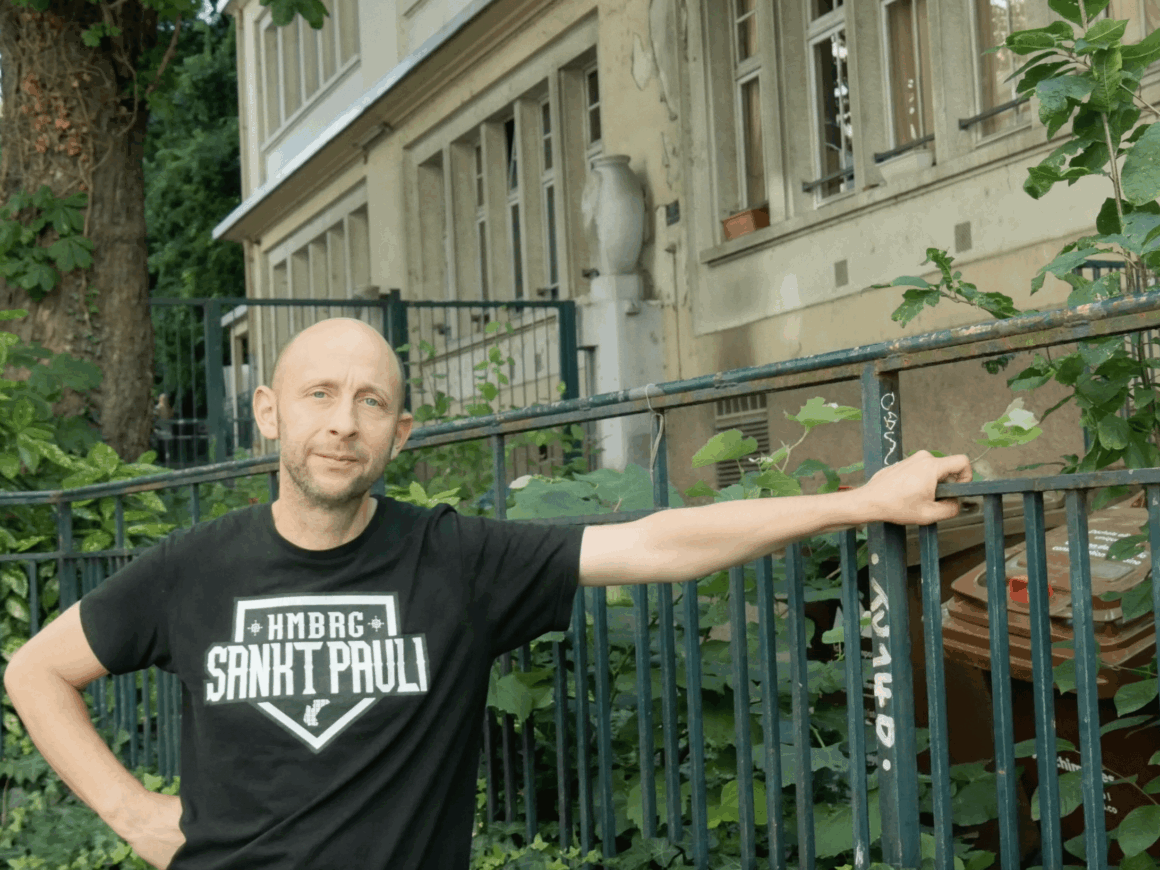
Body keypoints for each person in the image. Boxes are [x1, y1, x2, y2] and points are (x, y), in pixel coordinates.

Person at [4, 318, 971, 869]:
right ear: (268, 413)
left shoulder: (454, 560)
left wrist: (860, 501)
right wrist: (131, 812)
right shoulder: (192, 570)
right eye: (318, 395)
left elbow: (654, 544)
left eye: (371, 402)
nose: (343, 424)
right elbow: (36, 671)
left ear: (401, 433)